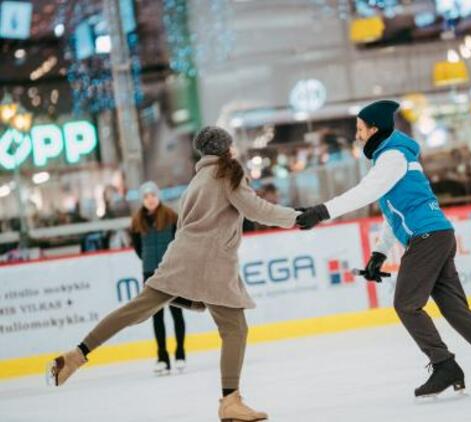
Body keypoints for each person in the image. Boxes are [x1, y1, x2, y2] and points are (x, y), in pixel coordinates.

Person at [47, 126, 299, 422]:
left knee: (135, 310)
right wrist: (298, 217)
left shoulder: (198, 179)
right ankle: (230, 401)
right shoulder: (228, 173)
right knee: (235, 329)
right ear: (224, 148)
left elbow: (184, 227)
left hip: (179, 258)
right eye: (230, 144)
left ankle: (76, 355)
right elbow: (258, 210)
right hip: (211, 264)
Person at [296, 100, 471, 398]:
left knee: (406, 304)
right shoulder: (393, 156)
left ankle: (444, 365)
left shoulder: (391, 157)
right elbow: (395, 213)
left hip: (427, 236)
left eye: (360, 129)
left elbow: (366, 192)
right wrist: (380, 252)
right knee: (453, 307)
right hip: (437, 233)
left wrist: (322, 211)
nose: (357, 136)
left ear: (374, 129)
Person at [130, 181, 186, 374]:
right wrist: (149, 263)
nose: (150, 199)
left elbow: (180, 242)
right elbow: (138, 248)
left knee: (177, 312)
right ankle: (162, 357)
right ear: (142, 200)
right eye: (146, 197)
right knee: (157, 316)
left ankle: (180, 353)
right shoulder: (137, 221)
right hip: (150, 273)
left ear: (158, 196)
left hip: (170, 271)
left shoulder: (171, 216)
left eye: (153, 195)